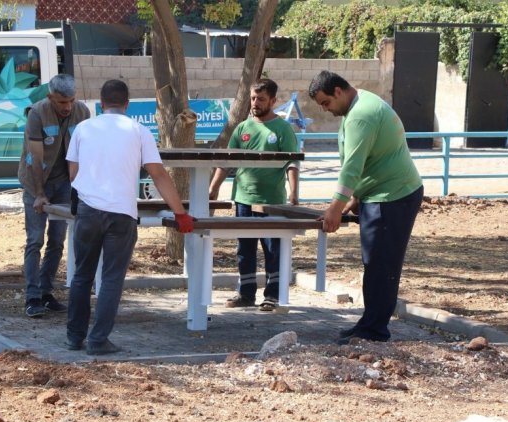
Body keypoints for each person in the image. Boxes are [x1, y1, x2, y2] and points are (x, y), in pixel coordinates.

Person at [65, 79, 194, 355]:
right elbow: (158, 174)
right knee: (111, 278)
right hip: (122, 214)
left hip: (87, 211)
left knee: (82, 276)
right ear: (127, 104)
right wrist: (180, 213)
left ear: (101, 103)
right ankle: (98, 340)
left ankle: (74, 337)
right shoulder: (139, 131)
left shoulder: (83, 128)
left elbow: (73, 174)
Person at [308, 70, 424, 344]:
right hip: (381, 194)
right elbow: (375, 158)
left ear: (338, 91)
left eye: (326, 102)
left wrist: (335, 208)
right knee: (375, 263)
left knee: (381, 265)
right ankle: (369, 323)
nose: (325, 109)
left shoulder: (361, 114)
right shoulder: (360, 104)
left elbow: (353, 166)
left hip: (391, 196)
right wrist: (356, 198)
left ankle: (374, 331)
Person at [209, 78, 300, 312]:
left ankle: (272, 295)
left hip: (271, 202)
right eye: (252, 98)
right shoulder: (242, 128)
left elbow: (292, 162)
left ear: (273, 100)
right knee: (245, 249)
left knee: (273, 250)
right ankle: (246, 293)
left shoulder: (282, 129)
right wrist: (214, 188)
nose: (255, 103)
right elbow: (228, 159)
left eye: (260, 99)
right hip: (243, 199)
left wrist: (294, 194)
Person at [18, 74, 91, 318]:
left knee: (57, 241)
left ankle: (46, 292)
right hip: (35, 181)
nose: (67, 107)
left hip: (64, 184)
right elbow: (35, 157)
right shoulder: (36, 113)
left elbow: (84, 152)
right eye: (61, 102)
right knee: (35, 240)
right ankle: (32, 297)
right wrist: (39, 194)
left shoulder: (82, 112)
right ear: (51, 97)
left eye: (71, 101)